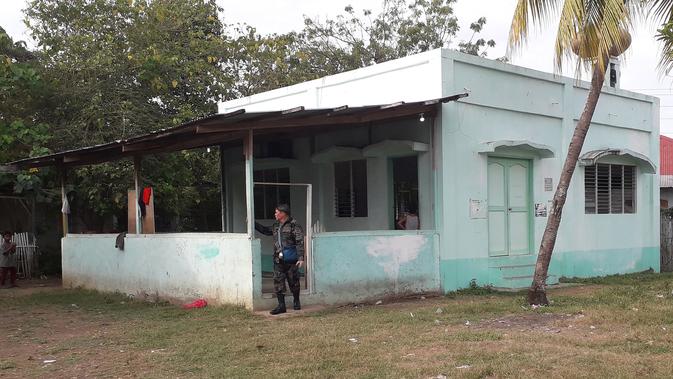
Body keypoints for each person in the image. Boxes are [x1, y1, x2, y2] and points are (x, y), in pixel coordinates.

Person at [255, 204, 305, 315]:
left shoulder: (294, 225)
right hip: (278, 259)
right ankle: (281, 305)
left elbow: (300, 242)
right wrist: (253, 224)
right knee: (278, 282)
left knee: (294, 281)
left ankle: (296, 301)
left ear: (283, 213)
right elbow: (265, 231)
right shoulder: (276, 226)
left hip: (291, 259)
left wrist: (301, 258)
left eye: (277, 212)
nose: (275, 214)